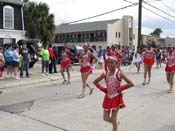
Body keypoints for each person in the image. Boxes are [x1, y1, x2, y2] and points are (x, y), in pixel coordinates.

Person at [93, 55, 134, 131]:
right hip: (108, 97)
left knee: (113, 117)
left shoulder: (119, 74)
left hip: (116, 97)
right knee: (105, 118)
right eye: (108, 62)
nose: (109, 64)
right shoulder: (105, 73)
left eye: (111, 62)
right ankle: (115, 123)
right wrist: (103, 89)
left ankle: (115, 127)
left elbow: (131, 83)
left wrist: (120, 88)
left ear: (116, 64)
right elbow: (95, 82)